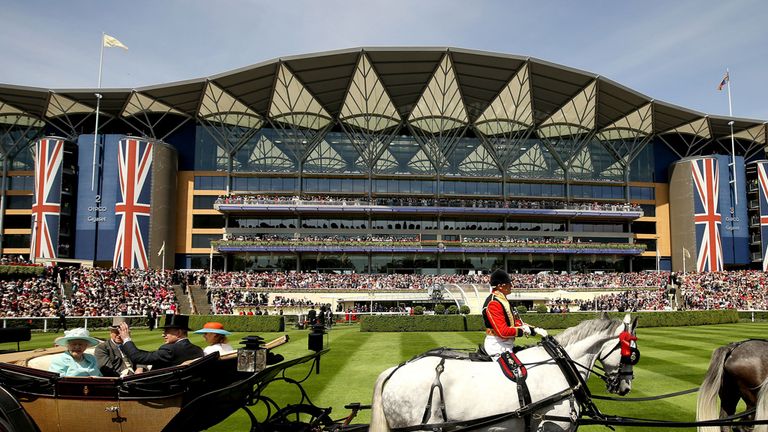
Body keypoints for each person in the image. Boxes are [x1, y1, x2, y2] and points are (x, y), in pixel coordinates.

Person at [482, 269, 547, 359]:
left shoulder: (502, 299)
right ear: (500, 286)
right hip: (497, 346)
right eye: (509, 283)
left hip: (506, 344)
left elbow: (513, 322)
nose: (511, 286)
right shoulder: (494, 303)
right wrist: (522, 330)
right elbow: (503, 332)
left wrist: (534, 330)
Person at [118, 314, 204, 370]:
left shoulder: (170, 350)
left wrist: (126, 338)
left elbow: (137, 357)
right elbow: (150, 355)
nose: (163, 335)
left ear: (179, 333)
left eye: (167, 331)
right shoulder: (198, 350)